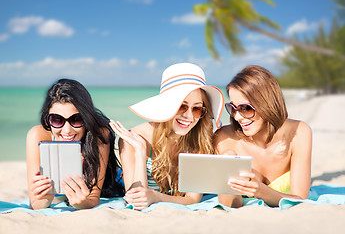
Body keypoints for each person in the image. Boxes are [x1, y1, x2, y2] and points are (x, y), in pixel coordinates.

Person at [110, 63, 224, 210]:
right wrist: (140, 151)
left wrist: (155, 197)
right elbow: (136, 200)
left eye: (196, 109)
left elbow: (192, 199)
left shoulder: (200, 140)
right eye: (182, 106)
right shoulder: (135, 138)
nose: (189, 116)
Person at [213, 65, 312, 207]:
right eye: (233, 108)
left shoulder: (299, 132)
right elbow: (229, 205)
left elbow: (300, 199)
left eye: (245, 108)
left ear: (267, 104)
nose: (238, 117)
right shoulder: (224, 139)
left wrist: (260, 191)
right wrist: (227, 172)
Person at [26, 79, 125, 210]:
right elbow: (35, 204)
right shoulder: (37, 136)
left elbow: (93, 197)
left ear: (87, 117)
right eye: (57, 119)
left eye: (76, 119)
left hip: (110, 183)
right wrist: (43, 200)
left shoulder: (99, 134)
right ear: (47, 118)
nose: (67, 130)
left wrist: (82, 204)